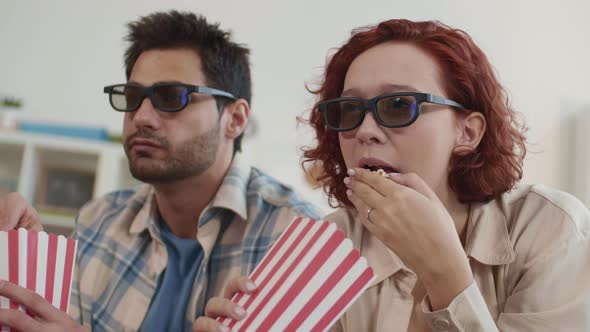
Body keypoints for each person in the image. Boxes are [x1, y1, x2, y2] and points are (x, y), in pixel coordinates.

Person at [196, 19, 590, 331]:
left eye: (399, 105)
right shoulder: (332, 243)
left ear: (467, 132)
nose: (365, 130)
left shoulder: (549, 228)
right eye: (349, 111)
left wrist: (445, 276)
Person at [0, 11, 321, 332]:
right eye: (133, 97)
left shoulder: (296, 240)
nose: (141, 117)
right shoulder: (99, 221)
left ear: (235, 119)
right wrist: (29, 267)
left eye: (171, 97)